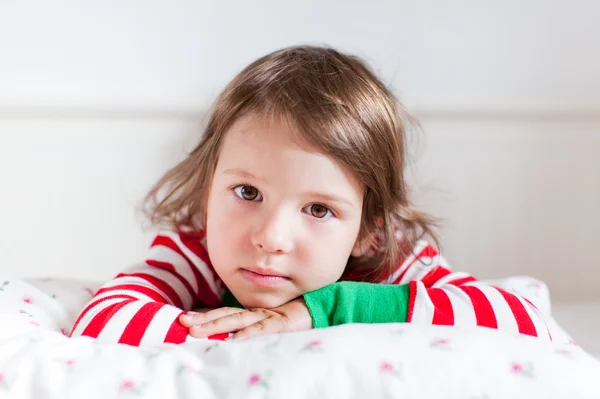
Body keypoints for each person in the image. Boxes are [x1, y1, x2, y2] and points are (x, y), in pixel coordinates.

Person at [70, 45, 552, 346]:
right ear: (206, 190)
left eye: (319, 209)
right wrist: (254, 332)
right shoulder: (195, 249)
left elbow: (526, 322)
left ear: (369, 230)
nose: (270, 237)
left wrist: (325, 311)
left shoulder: (392, 262)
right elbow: (104, 319)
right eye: (247, 191)